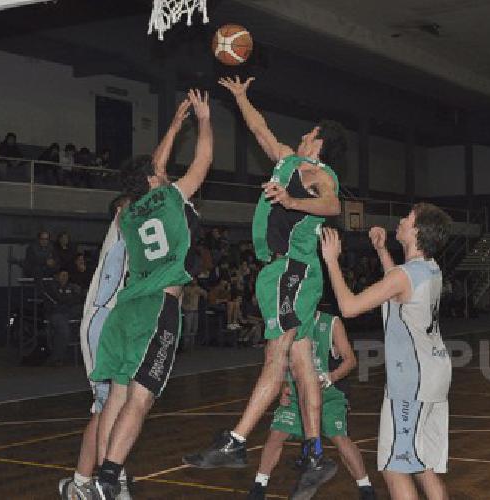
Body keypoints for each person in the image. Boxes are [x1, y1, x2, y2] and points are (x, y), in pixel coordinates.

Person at [183, 75, 347, 500]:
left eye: (310, 131)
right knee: (301, 362)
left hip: (294, 270)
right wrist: (240, 97)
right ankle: (313, 453)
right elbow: (260, 130)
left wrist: (292, 202)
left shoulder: (319, 174)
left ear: (320, 141)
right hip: (280, 271)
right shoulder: (288, 161)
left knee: (275, 356)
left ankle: (236, 442)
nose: (302, 133)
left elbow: (332, 205)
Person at [84, 89, 213, 500]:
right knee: (139, 401)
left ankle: (108, 480)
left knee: (115, 399)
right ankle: (108, 479)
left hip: (124, 311)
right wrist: (204, 122)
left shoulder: (125, 214)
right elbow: (203, 162)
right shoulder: (172, 197)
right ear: (152, 181)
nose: (165, 173)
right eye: (160, 173)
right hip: (157, 307)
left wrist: (175, 124)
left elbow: (153, 166)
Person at [319, 204, 454, 500]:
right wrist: (381, 249)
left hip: (411, 383)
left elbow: (349, 307)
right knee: (422, 464)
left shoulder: (405, 276)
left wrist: (331, 260)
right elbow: (399, 285)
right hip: (434, 374)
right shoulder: (430, 268)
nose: (401, 221)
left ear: (416, 231)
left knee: (395, 467)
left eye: (408, 218)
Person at [247, 311, 376, 499]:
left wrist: (330, 377)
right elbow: (275, 360)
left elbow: (351, 360)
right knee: (276, 434)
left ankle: (366, 488)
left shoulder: (331, 323)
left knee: (339, 438)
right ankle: (259, 487)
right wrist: (283, 386)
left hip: (329, 392)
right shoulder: (286, 322)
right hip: (296, 390)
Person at [57, 195, 132, 500]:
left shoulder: (140, 236)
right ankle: (113, 484)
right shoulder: (121, 228)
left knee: (104, 410)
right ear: (119, 210)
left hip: (117, 327)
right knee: (115, 407)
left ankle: (80, 484)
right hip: (103, 325)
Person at [43, 269, 85, 365]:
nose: (65, 278)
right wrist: (67, 300)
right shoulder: (51, 287)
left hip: (69, 312)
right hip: (56, 314)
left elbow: (78, 299)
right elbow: (58, 300)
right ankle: (56, 358)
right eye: (62, 275)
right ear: (57, 276)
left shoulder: (73, 287)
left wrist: (68, 300)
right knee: (63, 329)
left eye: (66, 275)